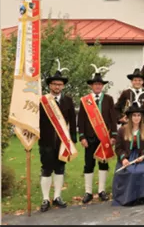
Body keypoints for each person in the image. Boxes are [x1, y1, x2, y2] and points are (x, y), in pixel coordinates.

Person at [38, 68, 77, 212]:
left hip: (62, 142)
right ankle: (45, 198)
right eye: (54, 84)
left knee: (60, 169)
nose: (57, 87)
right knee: (47, 169)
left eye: (60, 84)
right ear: (50, 85)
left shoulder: (68, 100)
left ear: (63, 86)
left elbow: (73, 120)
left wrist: (73, 138)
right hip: (46, 141)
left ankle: (57, 197)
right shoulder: (43, 101)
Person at [78, 70, 118, 204]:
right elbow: (81, 120)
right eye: (95, 84)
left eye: (100, 84)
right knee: (88, 164)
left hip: (104, 138)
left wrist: (113, 135)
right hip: (89, 138)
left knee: (103, 164)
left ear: (102, 86)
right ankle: (88, 192)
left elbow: (113, 118)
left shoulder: (108, 99)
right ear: (91, 86)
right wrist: (82, 137)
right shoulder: (85, 100)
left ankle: (101, 191)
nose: (97, 86)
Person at [112, 103, 144, 206]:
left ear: (141, 117)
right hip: (127, 157)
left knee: (142, 170)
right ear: (130, 117)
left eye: (138, 115)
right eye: (134, 115)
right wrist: (124, 159)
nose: (136, 118)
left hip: (141, 157)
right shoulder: (122, 130)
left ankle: (141, 196)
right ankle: (129, 198)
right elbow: (118, 148)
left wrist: (143, 155)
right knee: (129, 171)